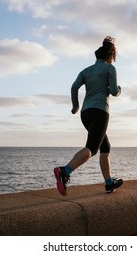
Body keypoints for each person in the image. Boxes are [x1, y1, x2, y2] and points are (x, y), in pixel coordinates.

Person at [54, 36, 123, 196]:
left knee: (105, 146)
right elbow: (113, 91)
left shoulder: (86, 71)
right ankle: (64, 171)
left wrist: (75, 106)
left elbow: (74, 87)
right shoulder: (110, 68)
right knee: (92, 148)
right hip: (100, 111)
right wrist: (119, 89)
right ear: (110, 55)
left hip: (85, 113)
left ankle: (108, 183)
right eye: (114, 56)